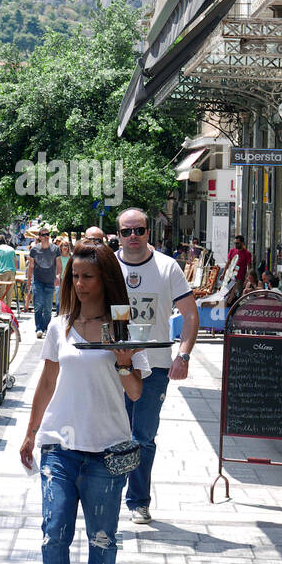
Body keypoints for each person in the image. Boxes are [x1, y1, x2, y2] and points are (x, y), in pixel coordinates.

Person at [19, 240, 149, 564]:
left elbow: (136, 392)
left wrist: (123, 362)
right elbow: (46, 383)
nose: (80, 283)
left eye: (88, 276)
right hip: (60, 447)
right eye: (74, 276)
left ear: (105, 278)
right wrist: (30, 433)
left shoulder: (123, 326)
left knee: (102, 539)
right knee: (52, 535)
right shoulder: (60, 326)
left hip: (108, 451)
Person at [114, 208, 198, 524]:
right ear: (118, 234)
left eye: (139, 230)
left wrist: (184, 354)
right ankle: (109, 490)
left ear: (149, 232)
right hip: (114, 362)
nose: (133, 237)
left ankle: (137, 500)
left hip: (156, 363)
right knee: (112, 432)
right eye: (126, 231)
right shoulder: (107, 266)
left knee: (143, 436)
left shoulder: (167, 267)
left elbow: (190, 314)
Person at [24, 228, 61, 339]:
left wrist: (58, 276)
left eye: (47, 234)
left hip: (50, 281)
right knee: (38, 306)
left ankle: (45, 328)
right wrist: (29, 281)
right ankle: (39, 328)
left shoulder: (55, 249)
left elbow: (59, 265)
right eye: (43, 235)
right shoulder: (34, 250)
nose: (46, 236)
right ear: (39, 236)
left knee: (48, 309)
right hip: (38, 281)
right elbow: (31, 266)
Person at [225, 236, 253, 301]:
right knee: (227, 292)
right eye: (235, 243)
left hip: (240, 278)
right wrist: (224, 274)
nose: (235, 245)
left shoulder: (247, 253)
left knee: (238, 293)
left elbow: (249, 267)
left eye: (237, 243)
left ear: (242, 243)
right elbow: (228, 263)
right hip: (230, 276)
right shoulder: (232, 251)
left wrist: (247, 278)